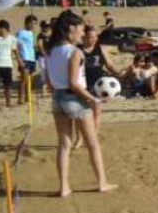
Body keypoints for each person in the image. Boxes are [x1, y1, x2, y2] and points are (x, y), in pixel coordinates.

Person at [45, 11, 115, 197]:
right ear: (71, 29)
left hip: (57, 98)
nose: (83, 33)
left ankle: (64, 187)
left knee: (64, 144)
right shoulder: (75, 51)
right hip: (74, 98)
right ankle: (101, 183)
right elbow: (74, 82)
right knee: (92, 143)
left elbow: (50, 82)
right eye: (81, 29)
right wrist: (94, 99)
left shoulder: (50, 50)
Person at [81, 25, 120, 134]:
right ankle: (80, 138)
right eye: (90, 37)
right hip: (82, 85)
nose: (93, 39)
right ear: (83, 37)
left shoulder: (100, 49)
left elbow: (109, 65)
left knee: (96, 112)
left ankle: (93, 135)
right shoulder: (78, 50)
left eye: (95, 37)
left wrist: (118, 72)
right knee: (80, 113)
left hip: (98, 85)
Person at [0, 19, 19, 109]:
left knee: (8, 85)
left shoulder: (12, 39)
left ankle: (8, 102)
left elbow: (14, 51)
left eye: (2, 28)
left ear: (6, 29)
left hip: (7, 64)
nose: (0, 30)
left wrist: (19, 60)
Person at [16, 15, 38, 105]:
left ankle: (27, 97)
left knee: (30, 79)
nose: (33, 26)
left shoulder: (32, 34)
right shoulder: (21, 33)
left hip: (32, 58)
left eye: (34, 24)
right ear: (27, 23)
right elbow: (16, 45)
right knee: (23, 79)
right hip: (24, 58)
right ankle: (20, 98)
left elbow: (32, 46)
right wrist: (19, 59)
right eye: (32, 24)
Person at [36, 20, 52, 96]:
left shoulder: (51, 35)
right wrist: (44, 53)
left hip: (50, 57)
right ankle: (43, 90)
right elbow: (39, 45)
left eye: (48, 26)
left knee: (49, 72)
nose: (47, 28)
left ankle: (47, 89)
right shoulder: (41, 35)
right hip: (42, 57)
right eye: (46, 26)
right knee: (44, 72)